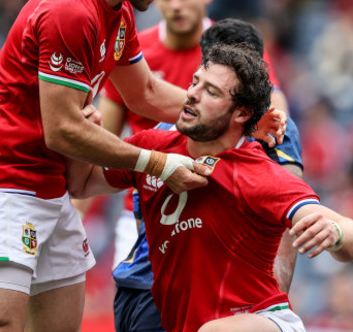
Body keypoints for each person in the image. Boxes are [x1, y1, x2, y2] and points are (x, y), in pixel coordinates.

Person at [0, 0, 285, 332]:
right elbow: (63, 130)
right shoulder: (71, 9)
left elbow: (143, 92)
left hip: (53, 190)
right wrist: (158, 163)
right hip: (3, 185)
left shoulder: (118, 11)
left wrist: (235, 111)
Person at [68, 39, 353, 332]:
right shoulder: (152, 147)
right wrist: (86, 129)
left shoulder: (257, 174)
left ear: (241, 113)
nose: (192, 94)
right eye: (195, 82)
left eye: (210, 91)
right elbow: (81, 185)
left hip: (264, 321)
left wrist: (337, 233)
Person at [111, 19, 304, 332]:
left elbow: (289, 218)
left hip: (216, 294)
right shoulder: (164, 133)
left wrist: (270, 306)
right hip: (148, 284)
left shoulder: (277, 130)